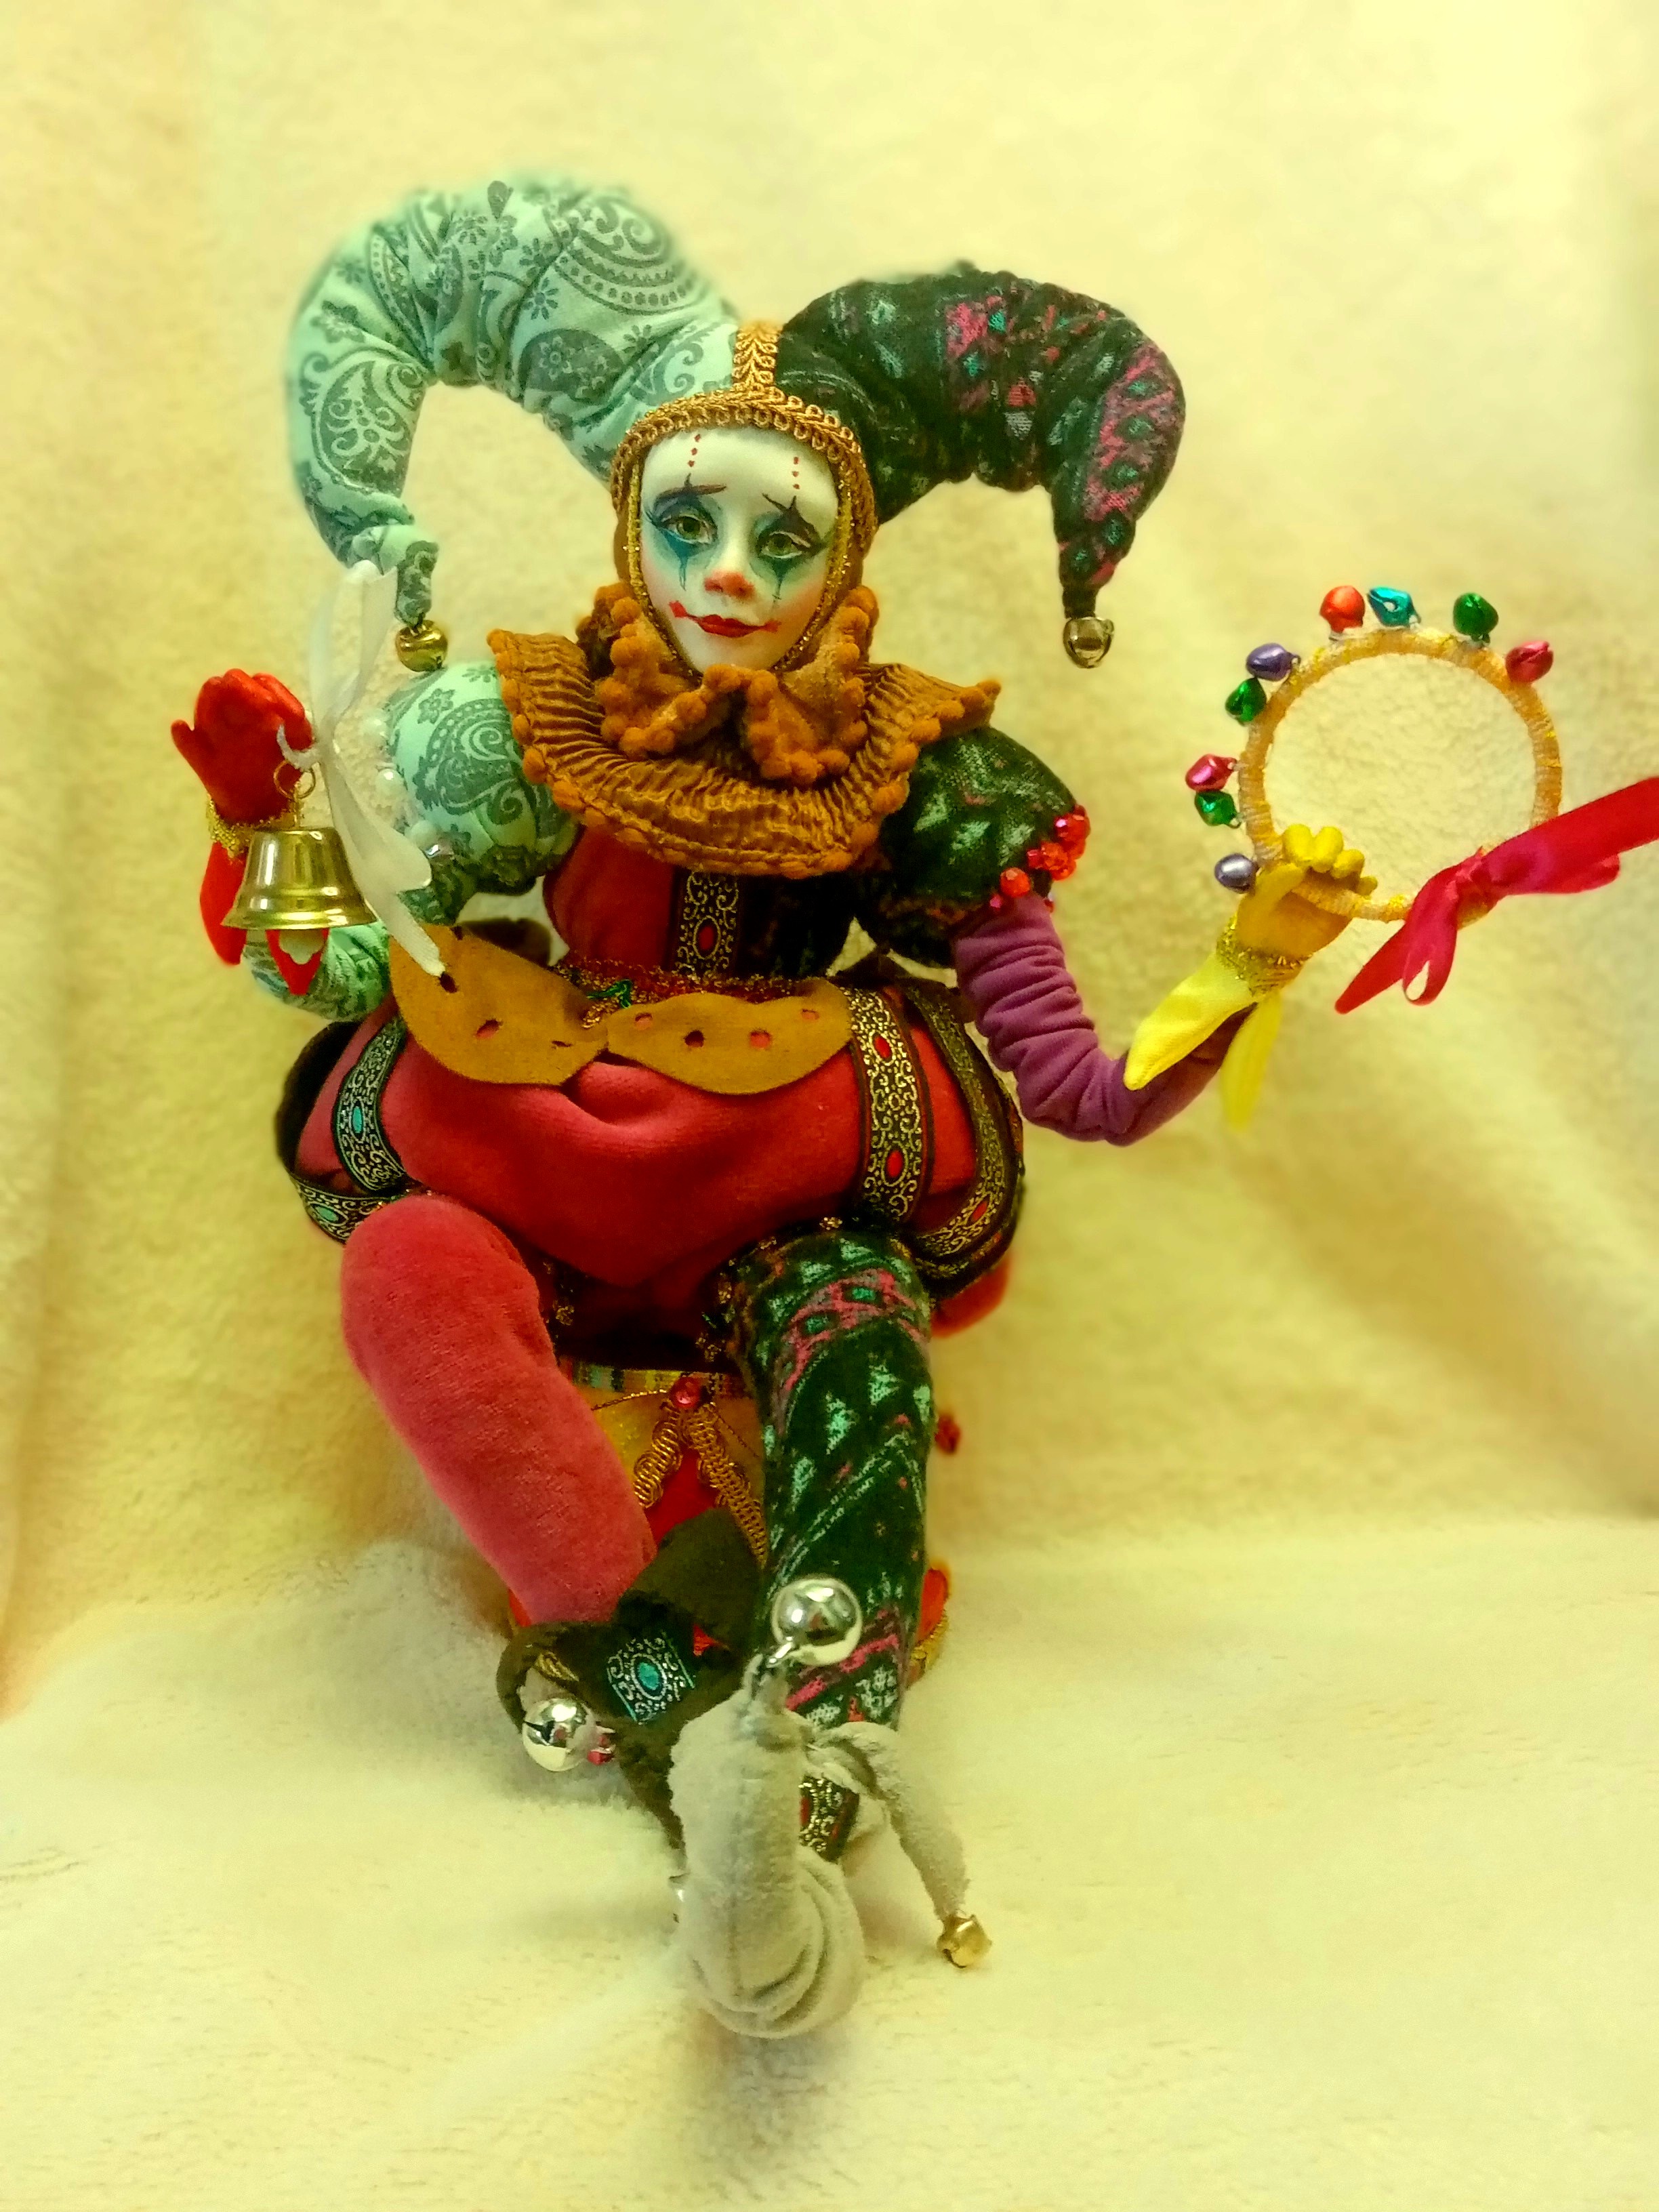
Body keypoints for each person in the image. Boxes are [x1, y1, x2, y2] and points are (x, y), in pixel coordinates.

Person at [174, 175, 1367, 2029]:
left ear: (850, 556)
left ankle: (819, 1736)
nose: (728, 570)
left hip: (774, 1175)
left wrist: (1248, 963)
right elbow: (341, 973)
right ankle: (659, 1685)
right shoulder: (523, 728)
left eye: (780, 536)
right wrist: (272, 828)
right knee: (408, 1268)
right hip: (543, 1140)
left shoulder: (914, 771)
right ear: (631, 523)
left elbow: (1074, 1083)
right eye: (688, 520)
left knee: (857, 1315)